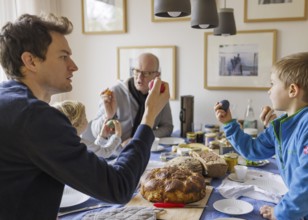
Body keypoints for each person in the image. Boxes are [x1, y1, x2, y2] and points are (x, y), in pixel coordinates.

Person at [0, 13, 170, 220]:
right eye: (63, 56)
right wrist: (149, 115)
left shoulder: (9, 102)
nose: (74, 66)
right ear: (31, 61)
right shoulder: (35, 117)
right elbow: (118, 186)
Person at [214, 52, 308, 220]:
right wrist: (229, 124)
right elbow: (253, 150)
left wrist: (280, 213)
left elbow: (305, 184)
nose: (269, 90)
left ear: (292, 90)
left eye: (272, 84)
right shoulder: (280, 125)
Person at [91, 53, 174, 144]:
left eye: (146, 73)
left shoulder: (160, 95)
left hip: (145, 150)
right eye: (136, 71)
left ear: (157, 75)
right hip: (115, 154)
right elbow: (95, 132)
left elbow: (167, 128)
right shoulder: (114, 92)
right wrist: (107, 117)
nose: (139, 77)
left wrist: (141, 137)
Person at [52, 100, 123, 158]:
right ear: (77, 124)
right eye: (85, 117)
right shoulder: (78, 142)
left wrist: (102, 137)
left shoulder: (65, 141)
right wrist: (117, 136)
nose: (87, 119)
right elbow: (105, 152)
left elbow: (94, 152)